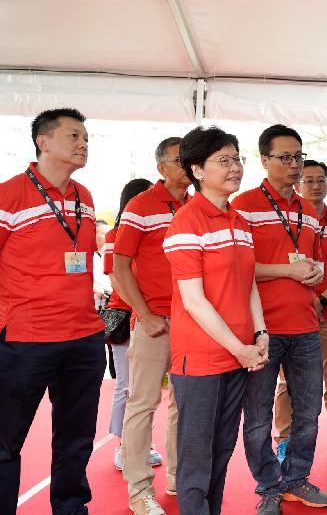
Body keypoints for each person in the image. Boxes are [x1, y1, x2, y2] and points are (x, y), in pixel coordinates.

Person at [0, 108, 106, 514]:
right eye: (74, 136)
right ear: (43, 141)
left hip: (83, 338)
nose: (83, 144)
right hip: (26, 340)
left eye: (85, 138)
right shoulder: (11, 194)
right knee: (6, 439)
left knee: (76, 437)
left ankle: (70, 507)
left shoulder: (85, 196)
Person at [164, 125, 268, 515]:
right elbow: (194, 301)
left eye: (236, 158)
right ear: (196, 169)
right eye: (223, 161)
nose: (235, 167)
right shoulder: (186, 223)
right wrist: (240, 349)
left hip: (239, 354)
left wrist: (260, 332)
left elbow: (249, 285)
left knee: (222, 451)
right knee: (196, 459)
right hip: (203, 359)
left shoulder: (240, 221)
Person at [233, 124, 327, 515]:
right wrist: (287, 271)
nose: (294, 166)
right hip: (261, 329)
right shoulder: (243, 206)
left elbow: (314, 257)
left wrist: (316, 271)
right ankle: (268, 485)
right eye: (286, 158)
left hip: (306, 326)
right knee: (257, 416)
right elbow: (236, 267)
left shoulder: (308, 211)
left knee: (308, 410)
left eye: (299, 157)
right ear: (264, 160)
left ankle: (296, 478)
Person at [113, 137, 190, 514]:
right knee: (142, 404)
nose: (187, 166)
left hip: (194, 325)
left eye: (190, 159)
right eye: (179, 160)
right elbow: (119, 267)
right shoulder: (140, 206)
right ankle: (139, 488)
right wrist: (144, 314)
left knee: (184, 403)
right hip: (154, 323)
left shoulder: (199, 205)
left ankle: (178, 477)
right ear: (161, 167)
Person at [273, 159, 327, 460]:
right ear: (298, 185)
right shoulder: (287, 218)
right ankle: (283, 441)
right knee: (287, 382)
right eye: (308, 180)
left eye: (320, 180)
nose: (315, 185)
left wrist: (321, 301)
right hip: (292, 313)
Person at [103, 178, 154, 471]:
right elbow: (116, 279)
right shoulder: (114, 236)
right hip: (127, 318)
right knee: (127, 385)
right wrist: (143, 310)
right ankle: (124, 445)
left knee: (146, 389)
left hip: (150, 318)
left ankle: (142, 443)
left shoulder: (154, 234)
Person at [93, 219, 112, 311]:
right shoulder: (82, 256)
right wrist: (94, 289)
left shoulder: (113, 255)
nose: (109, 237)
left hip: (111, 305)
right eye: (104, 234)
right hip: (93, 305)